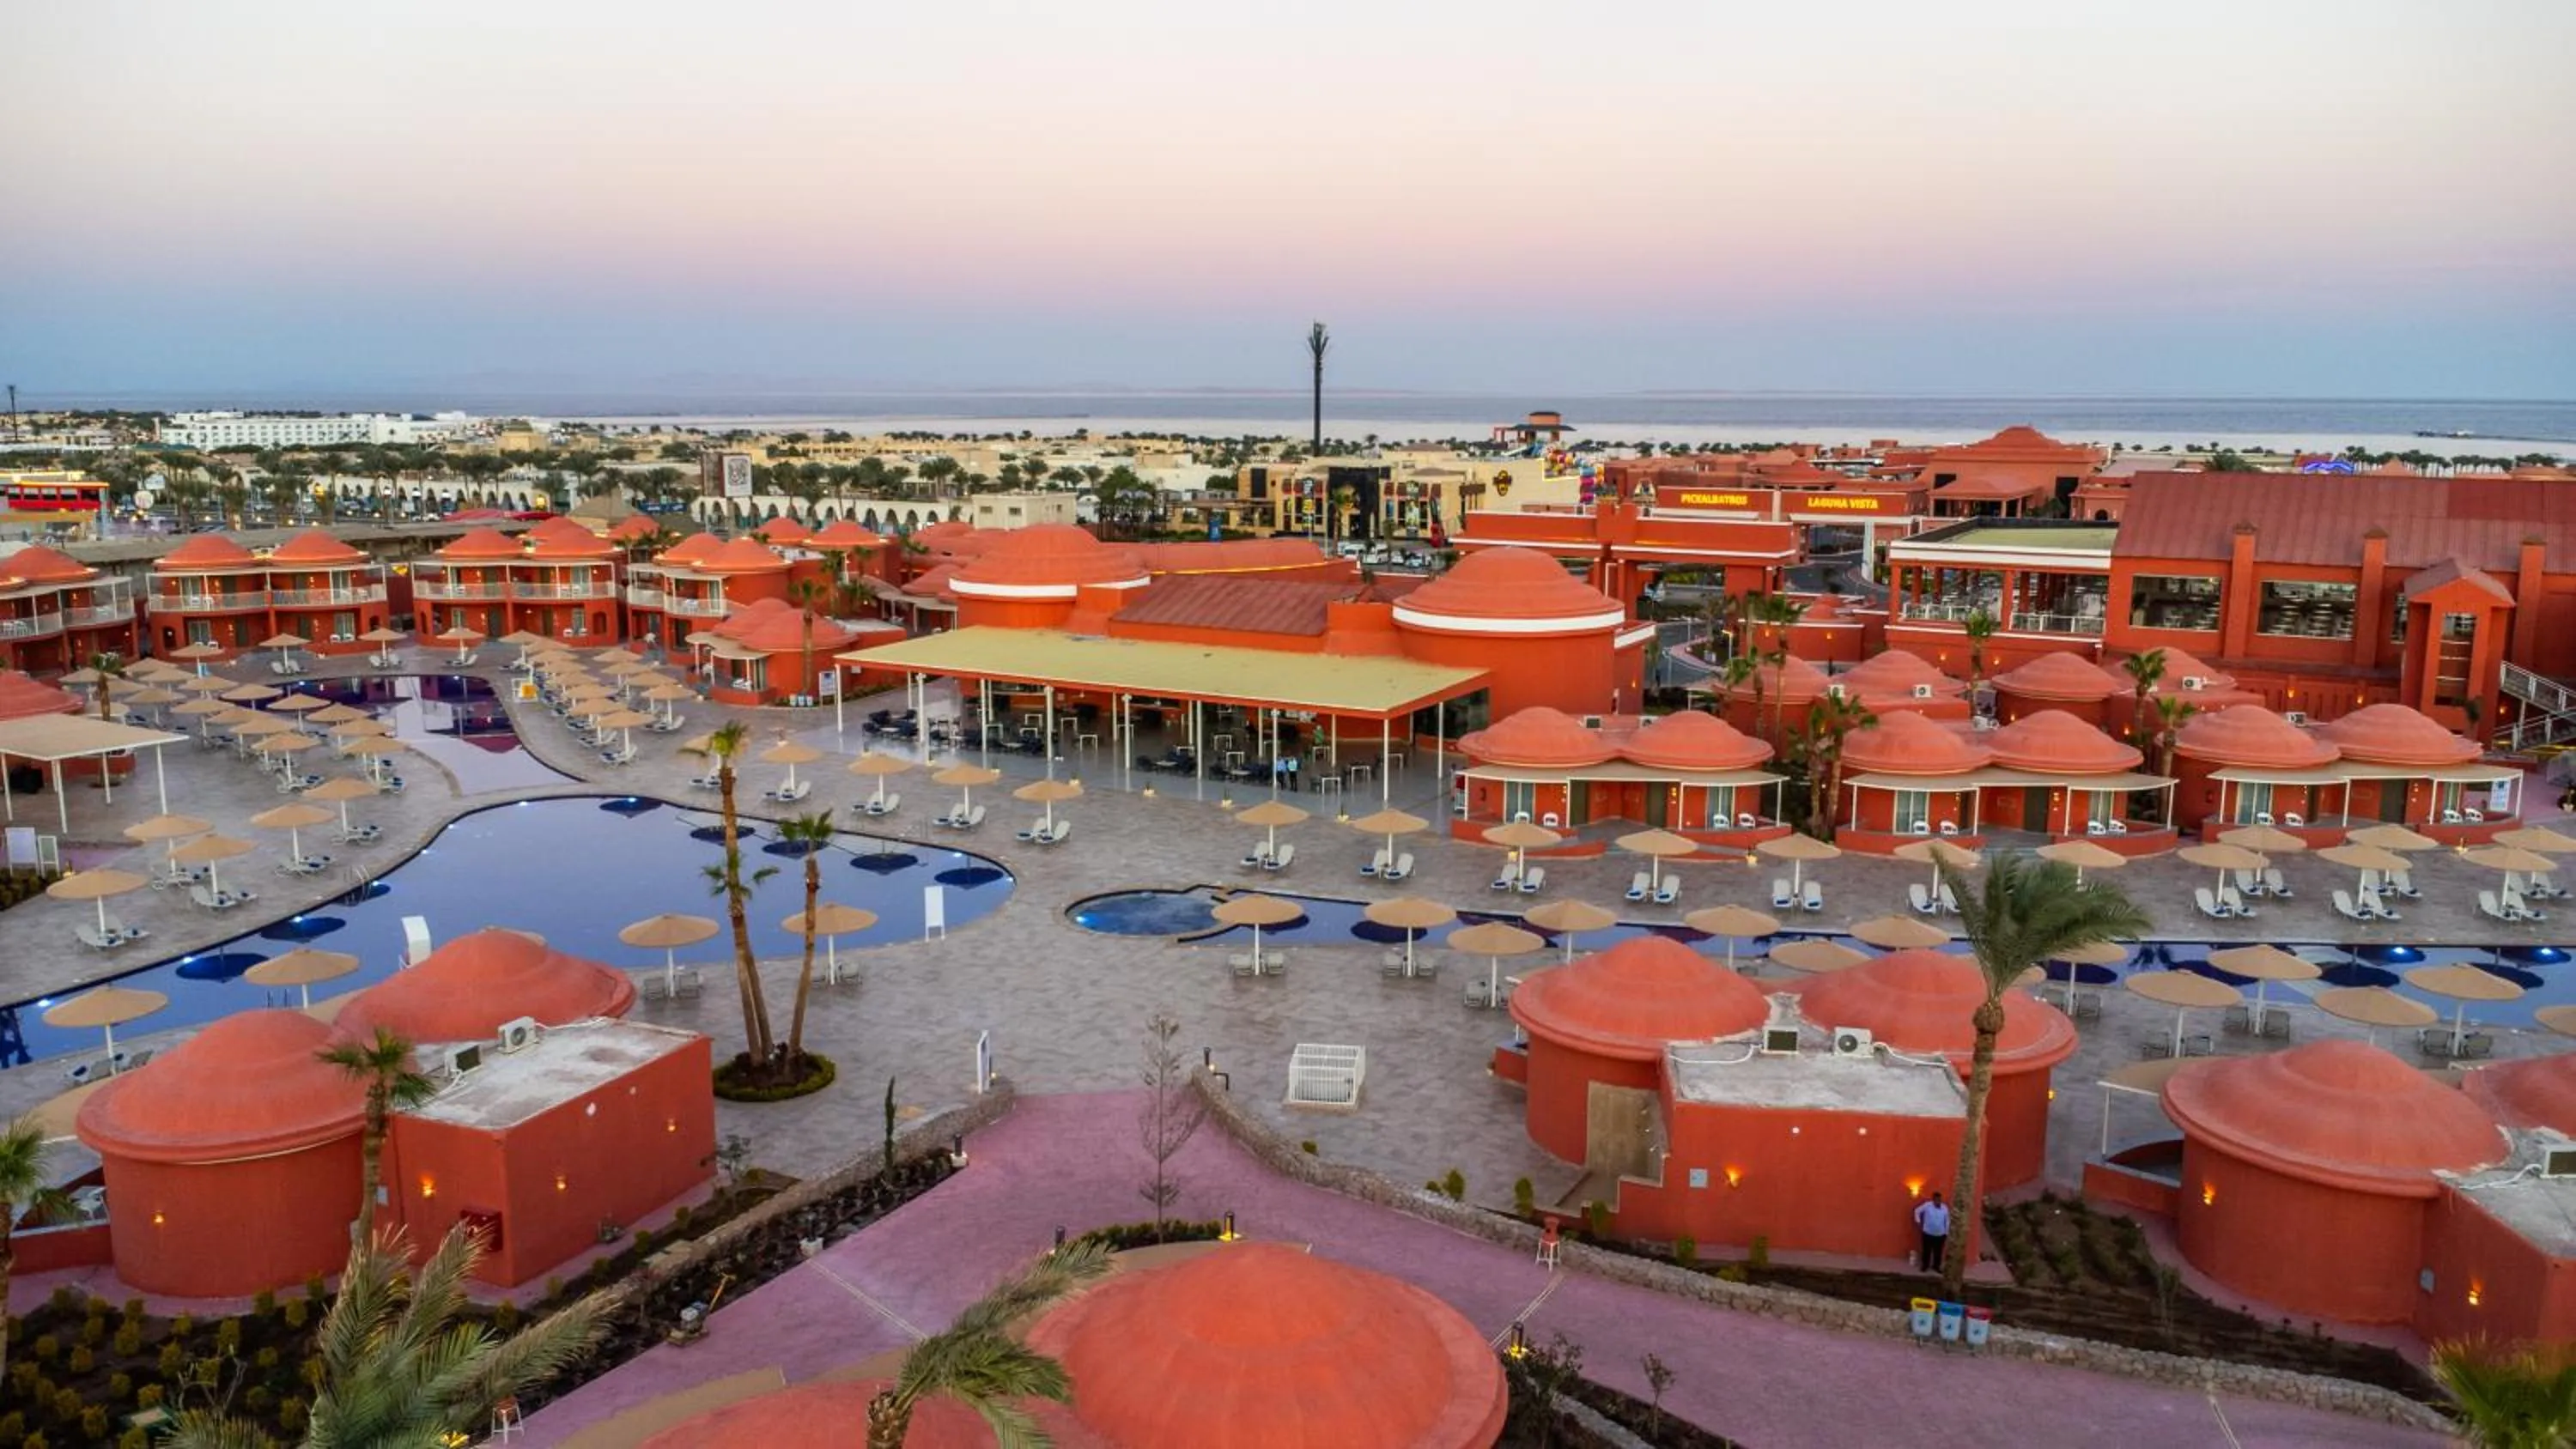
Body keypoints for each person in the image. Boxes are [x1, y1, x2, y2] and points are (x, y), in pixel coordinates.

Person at [1913, 1191, 1951, 1274]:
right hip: (1928, 1233)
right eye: (1936, 1200)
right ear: (1933, 1199)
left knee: (1938, 1252)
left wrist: (1947, 1232)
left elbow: (1947, 1220)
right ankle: (1925, 1266)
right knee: (1927, 1250)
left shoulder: (1945, 1208)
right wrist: (1918, 1222)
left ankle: (1936, 1266)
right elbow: (1917, 1211)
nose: (1938, 1202)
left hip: (1940, 1234)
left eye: (1939, 1200)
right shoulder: (1927, 1205)